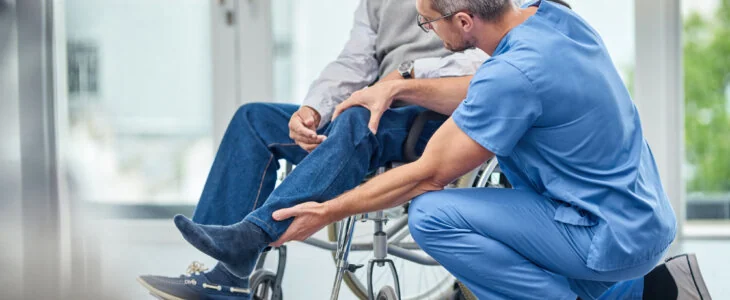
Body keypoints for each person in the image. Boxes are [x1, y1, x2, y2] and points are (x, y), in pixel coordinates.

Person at [261, 0, 710, 299]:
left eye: (428, 20)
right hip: (644, 218)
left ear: (462, 21)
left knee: (433, 215)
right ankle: (660, 290)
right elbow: (486, 87)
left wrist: (328, 211)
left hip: (605, 236)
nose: (426, 29)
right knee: (519, 231)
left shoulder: (511, 74)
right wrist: (400, 90)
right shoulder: (556, 20)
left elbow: (428, 175)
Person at [136, 0, 486, 299]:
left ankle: (253, 235)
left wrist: (400, 81)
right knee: (253, 120)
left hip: (433, 118)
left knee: (356, 116)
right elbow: (355, 61)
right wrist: (313, 110)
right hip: (369, 108)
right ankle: (225, 273)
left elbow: (484, 60)